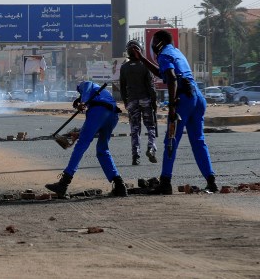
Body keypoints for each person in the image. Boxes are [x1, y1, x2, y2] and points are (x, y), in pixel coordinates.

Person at [130, 29, 218, 194]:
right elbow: (161, 72)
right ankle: (211, 181)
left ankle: (165, 182)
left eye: (154, 42)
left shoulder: (164, 55)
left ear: (159, 43)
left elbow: (170, 77)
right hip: (197, 98)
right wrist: (142, 59)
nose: (152, 45)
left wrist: (171, 106)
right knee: (198, 141)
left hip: (183, 100)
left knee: (171, 141)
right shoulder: (176, 52)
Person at [45, 80, 128, 197]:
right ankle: (119, 185)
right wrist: (79, 133)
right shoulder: (100, 94)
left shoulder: (85, 86)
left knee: (81, 146)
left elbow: (88, 86)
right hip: (113, 115)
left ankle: (63, 183)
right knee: (102, 150)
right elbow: (95, 127)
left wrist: (83, 101)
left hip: (100, 111)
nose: (79, 108)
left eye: (77, 105)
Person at [120, 39, 158, 165]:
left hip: (131, 101)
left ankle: (135, 156)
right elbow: (151, 86)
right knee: (151, 126)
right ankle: (151, 148)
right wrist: (154, 101)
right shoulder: (145, 66)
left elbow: (122, 87)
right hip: (145, 100)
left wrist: (126, 102)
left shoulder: (124, 67)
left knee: (135, 129)